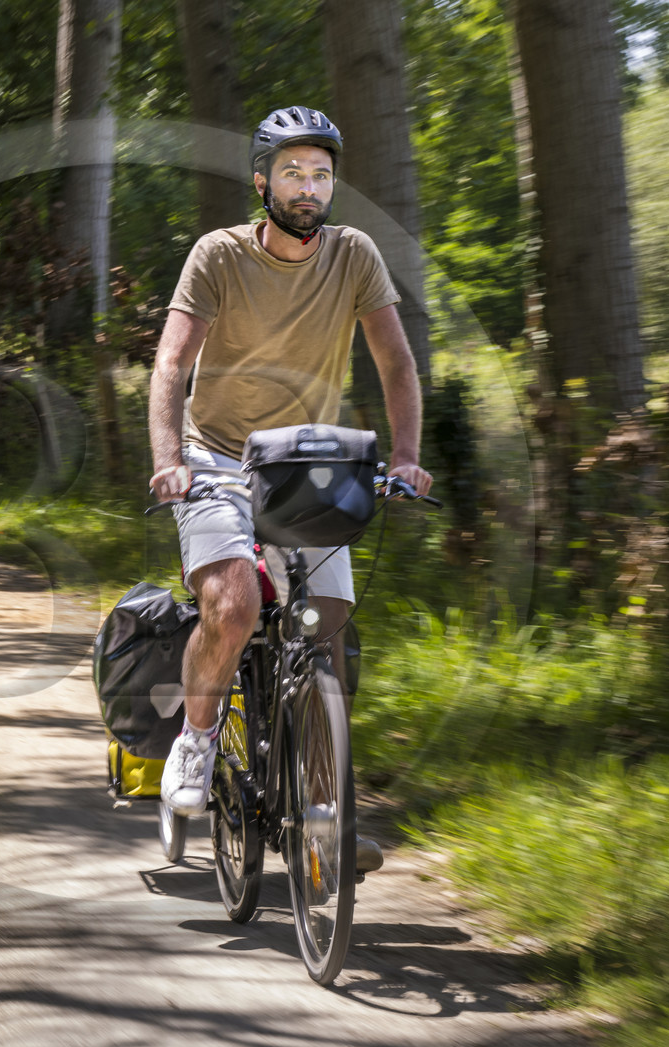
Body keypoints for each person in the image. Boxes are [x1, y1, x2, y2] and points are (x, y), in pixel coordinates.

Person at [147, 106, 433, 863]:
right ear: (262, 182)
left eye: (321, 175)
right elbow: (171, 363)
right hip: (215, 456)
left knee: (327, 625)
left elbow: (396, 362)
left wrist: (406, 455)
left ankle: (324, 818)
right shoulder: (218, 254)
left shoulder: (354, 254)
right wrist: (169, 457)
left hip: (305, 462)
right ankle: (196, 740)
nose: (309, 187)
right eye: (292, 173)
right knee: (234, 603)